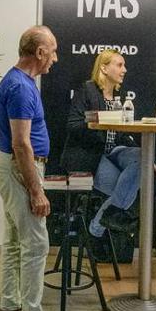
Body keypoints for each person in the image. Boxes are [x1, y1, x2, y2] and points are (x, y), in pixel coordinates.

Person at [0, 26, 62, 311]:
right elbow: (22, 143)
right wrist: (36, 190)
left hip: (12, 166)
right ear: (39, 52)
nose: (55, 58)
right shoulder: (21, 87)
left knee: (14, 240)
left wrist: (11, 154)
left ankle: (9, 308)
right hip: (21, 168)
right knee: (35, 244)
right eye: (53, 51)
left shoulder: (15, 81)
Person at [61, 49, 140, 242]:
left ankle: (97, 226)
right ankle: (97, 228)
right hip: (91, 155)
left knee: (144, 159)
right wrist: (99, 120)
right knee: (125, 189)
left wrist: (151, 165)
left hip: (114, 151)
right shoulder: (87, 90)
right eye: (119, 65)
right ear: (104, 68)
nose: (125, 70)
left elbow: (120, 135)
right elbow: (73, 125)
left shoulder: (118, 99)